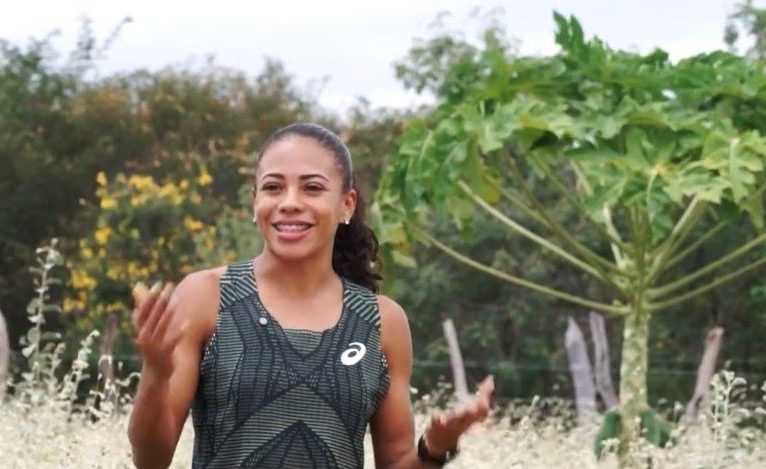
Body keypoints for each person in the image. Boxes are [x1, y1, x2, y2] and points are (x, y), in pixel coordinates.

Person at [127, 122, 495, 468]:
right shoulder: (207, 297)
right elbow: (150, 460)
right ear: (255, 202)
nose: (289, 202)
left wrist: (435, 449)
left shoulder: (382, 322)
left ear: (346, 205)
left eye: (312, 188)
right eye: (273, 187)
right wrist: (157, 372)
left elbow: (398, 461)